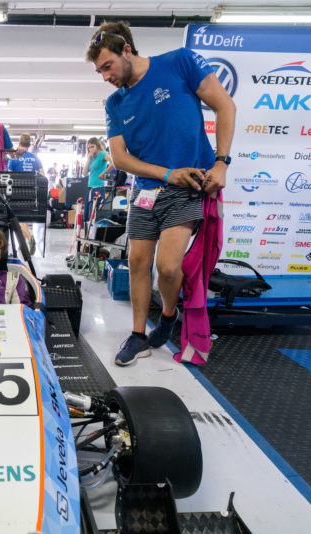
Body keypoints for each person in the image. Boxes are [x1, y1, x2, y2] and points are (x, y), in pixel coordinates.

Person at [86, 21, 234, 366]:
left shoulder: (179, 62)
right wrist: (167, 173)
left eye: (107, 66)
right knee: (137, 262)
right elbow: (121, 158)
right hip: (146, 192)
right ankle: (139, 335)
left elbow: (225, 106)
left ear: (126, 50)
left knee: (168, 268)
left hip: (188, 188)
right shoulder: (115, 104)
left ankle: (168, 317)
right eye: (99, 71)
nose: (105, 75)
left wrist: (222, 163)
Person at [7, 133, 43, 254]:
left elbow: (9, 176)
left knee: (17, 219)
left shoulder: (14, 158)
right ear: (29, 144)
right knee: (24, 220)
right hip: (32, 192)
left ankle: (29, 238)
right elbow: (42, 175)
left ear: (20, 143)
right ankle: (22, 246)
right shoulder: (35, 158)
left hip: (18, 192)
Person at [82, 137, 113, 223]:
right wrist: (88, 158)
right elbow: (84, 173)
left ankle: (94, 234)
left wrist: (105, 173)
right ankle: (87, 235)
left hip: (98, 187)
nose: (90, 149)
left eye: (92, 146)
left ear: (97, 145)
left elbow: (114, 162)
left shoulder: (103, 154)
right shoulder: (91, 157)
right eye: (89, 147)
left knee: (95, 215)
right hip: (90, 188)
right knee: (87, 216)